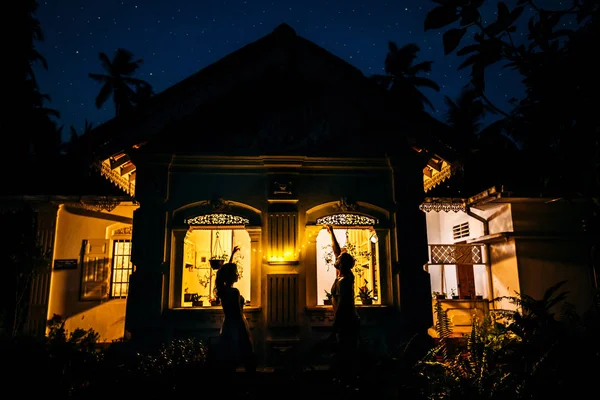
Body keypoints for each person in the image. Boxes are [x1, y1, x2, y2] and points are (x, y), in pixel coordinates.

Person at [325, 225, 360, 382]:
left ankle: (347, 382)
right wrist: (331, 233)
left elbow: (342, 306)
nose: (336, 258)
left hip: (347, 321)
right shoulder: (343, 275)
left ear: (342, 264)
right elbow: (337, 251)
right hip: (346, 320)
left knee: (346, 352)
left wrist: (335, 327)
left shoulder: (345, 281)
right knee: (345, 351)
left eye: (338, 259)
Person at [214, 245, 256, 378]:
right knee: (247, 356)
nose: (238, 274)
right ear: (231, 276)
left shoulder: (224, 290)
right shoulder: (234, 292)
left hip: (228, 325)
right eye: (236, 272)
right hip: (237, 325)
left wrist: (232, 254)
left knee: (230, 358)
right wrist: (244, 329)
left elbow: (225, 270)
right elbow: (237, 313)